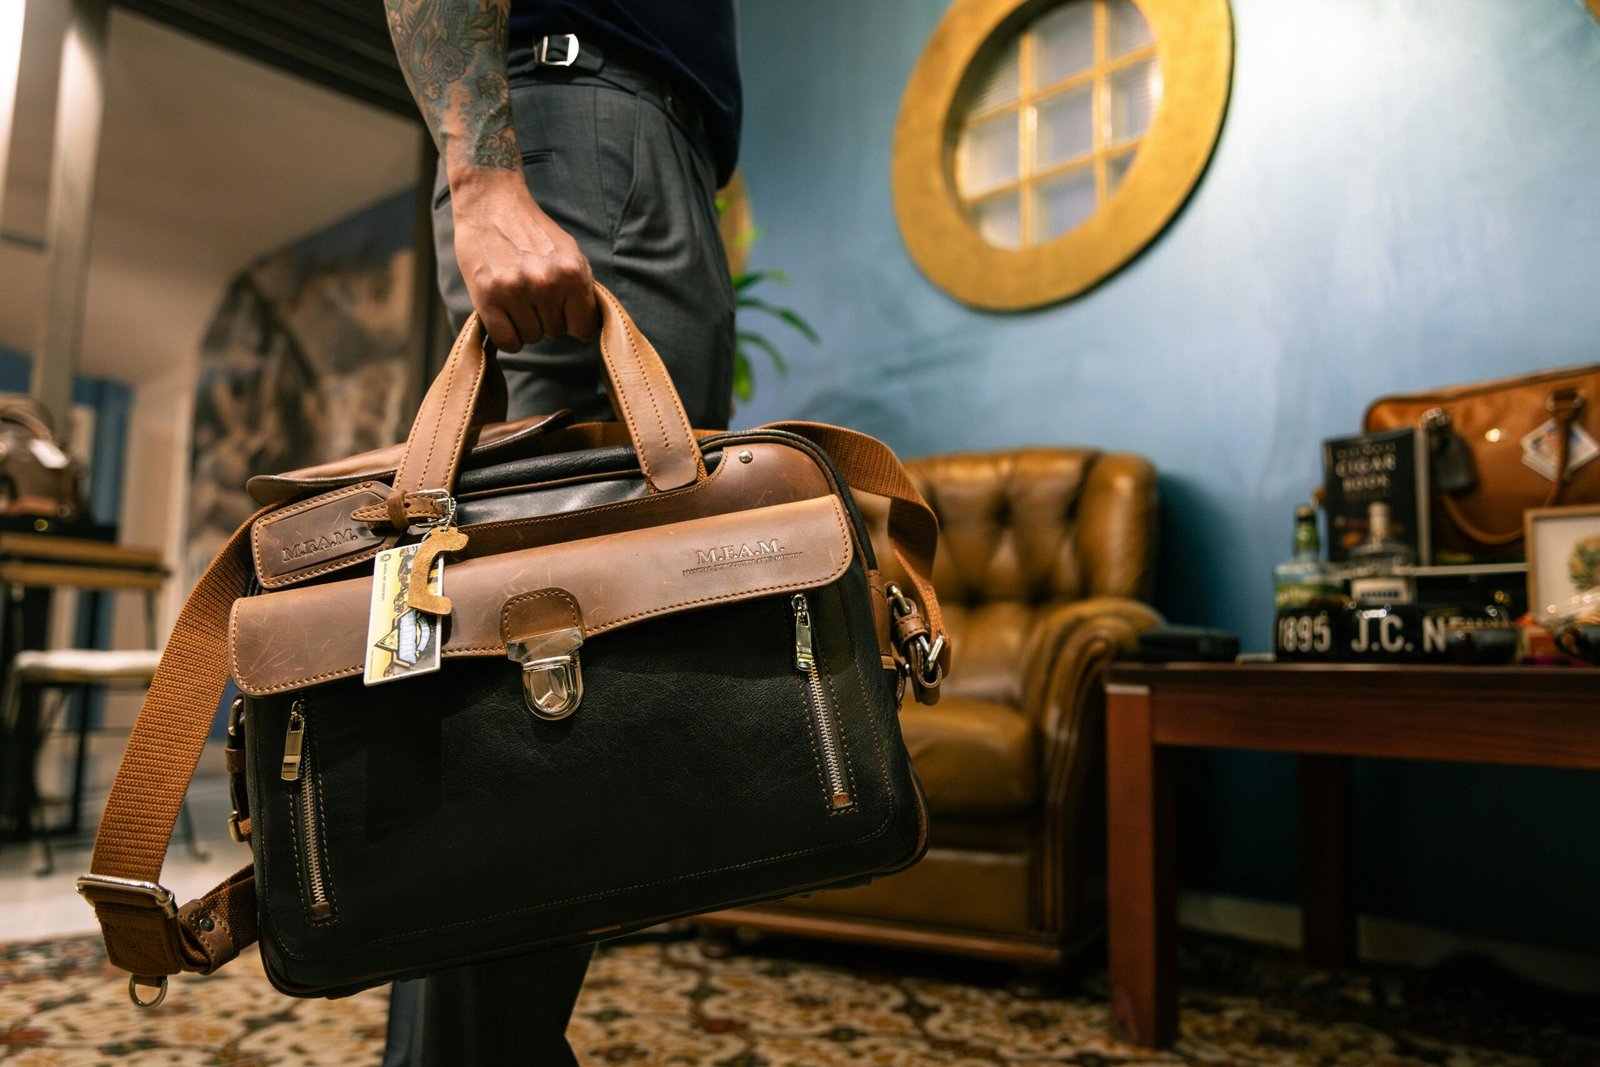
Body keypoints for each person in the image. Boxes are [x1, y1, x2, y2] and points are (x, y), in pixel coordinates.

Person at [378, 1, 741, 1063]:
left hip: (636, 149)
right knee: (528, 689)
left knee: (543, 675)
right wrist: (485, 182)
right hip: (584, 128)